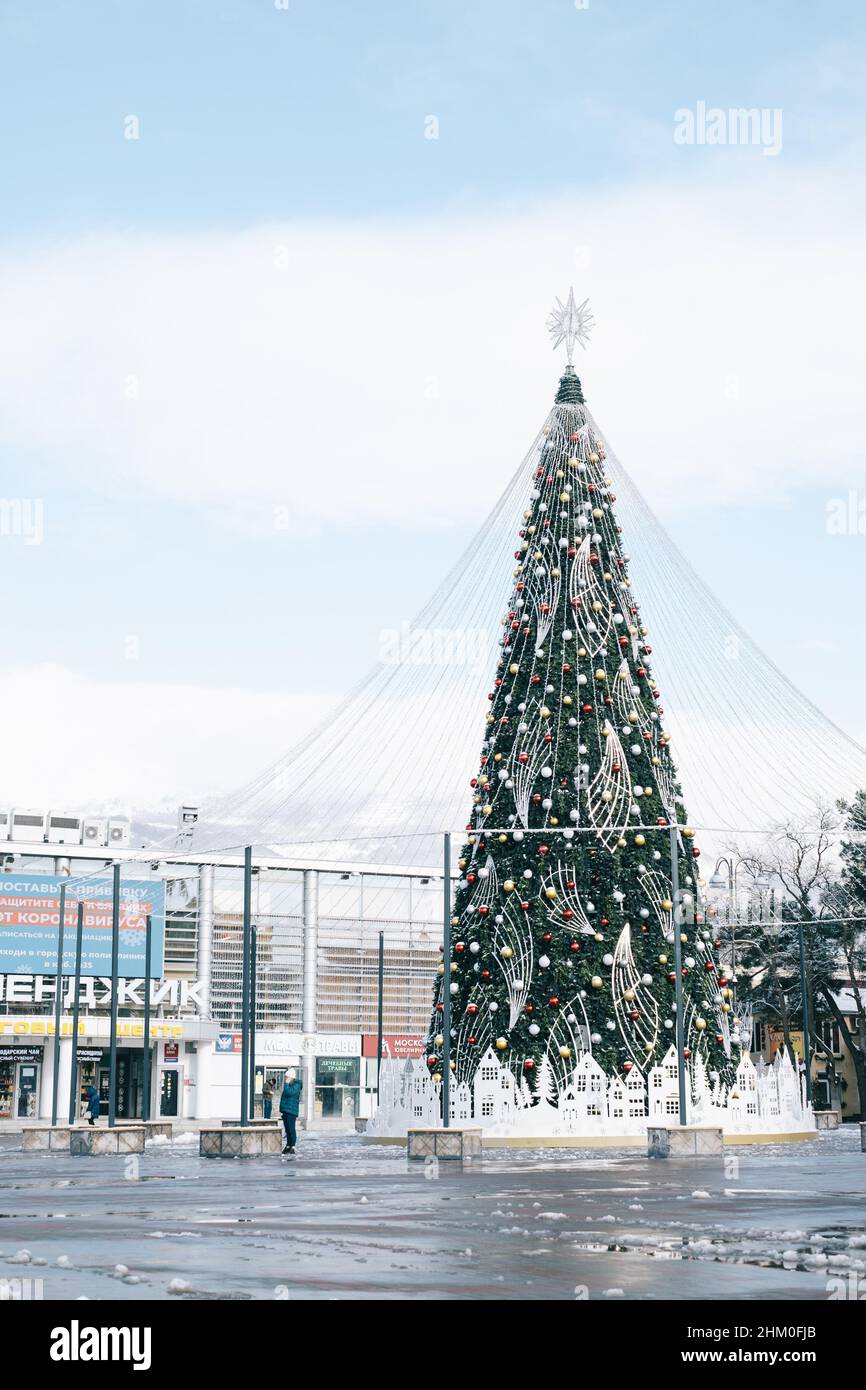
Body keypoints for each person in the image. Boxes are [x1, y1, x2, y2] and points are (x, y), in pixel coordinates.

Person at [279, 1068, 302, 1154]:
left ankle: (292, 1145)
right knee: (287, 1129)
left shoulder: (296, 1085)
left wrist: (286, 1084)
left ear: (291, 1077)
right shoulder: (289, 1084)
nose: (285, 1078)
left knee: (291, 1129)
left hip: (291, 1111)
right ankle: (288, 1145)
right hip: (286, 1110)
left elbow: (289, 1093)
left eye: (286, 1077)